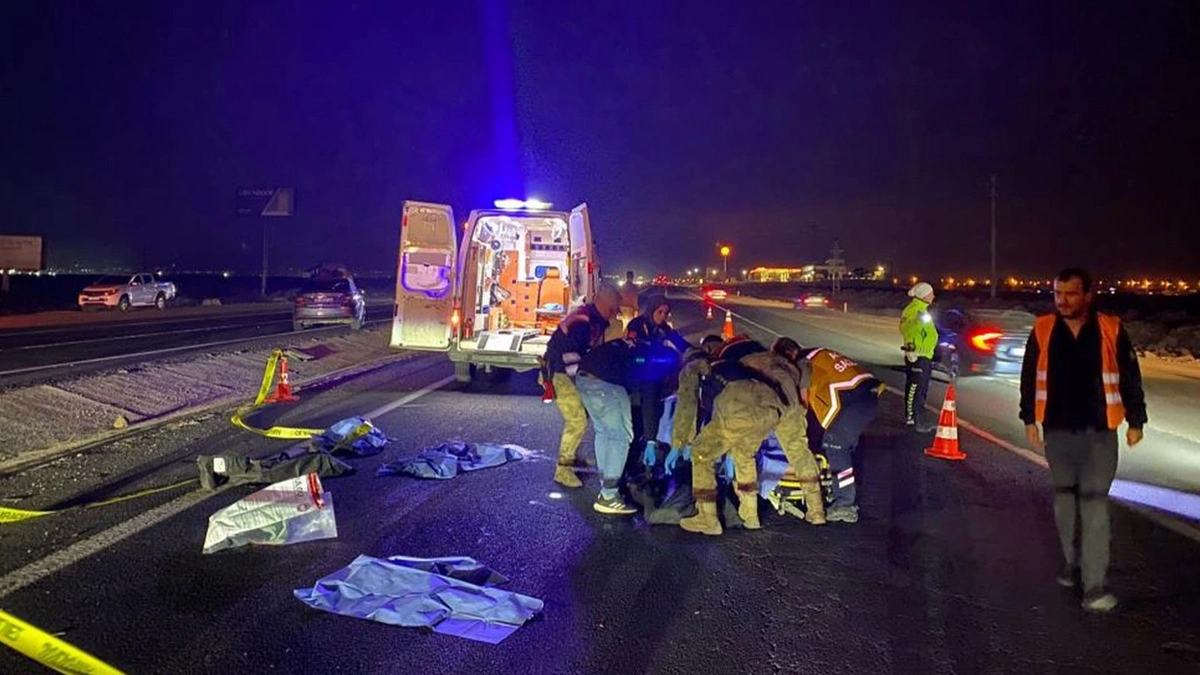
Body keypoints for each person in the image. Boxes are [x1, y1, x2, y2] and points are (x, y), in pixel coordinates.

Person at [1019, 267, 1147, 613]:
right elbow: (1030, 375)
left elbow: (1129, 375)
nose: (1062, 300)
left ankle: (1095, 586)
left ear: (1088, 295)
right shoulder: (1043, 328)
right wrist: (1028, 418)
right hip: (1057, 431)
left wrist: (1137, 419)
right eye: (1058, 294)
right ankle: (1071, 564)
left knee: (1093, 504)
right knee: (1064, 501)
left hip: (1098, 432)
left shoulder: (1111, 328)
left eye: (1070, 294)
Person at [673, 336, 826, 535]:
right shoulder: (781, 360)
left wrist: (680, 442)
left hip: (748, 400)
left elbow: (689, 404)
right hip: (779, 404)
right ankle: (816, 511)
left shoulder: (707, 363)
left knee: (703, 453)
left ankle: (710, 518)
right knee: (795, 452)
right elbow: (802, 374)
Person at [772, 337, 884, 524]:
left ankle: (845, 505)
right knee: (845, 447)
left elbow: (803, 401)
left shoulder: (802, 362)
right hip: (867, 397)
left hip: (853, 402)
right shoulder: (819, 353)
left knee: (835, 445)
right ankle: (843, 488)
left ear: (787, 354)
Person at [543, 284, 623, 489]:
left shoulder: (594, 319)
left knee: (582, 415)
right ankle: (563, 469)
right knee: (577, 420)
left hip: (569, 372)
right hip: (561, 373)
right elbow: (569, 355)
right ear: (605, 305)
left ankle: (573, 458)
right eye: (613, 310)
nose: (614, 315)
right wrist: (585, 382)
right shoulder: (583, 322)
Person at [573, 293, 640, 515]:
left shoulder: (623, 344)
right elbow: (648, 390)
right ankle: (609, 496)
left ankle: (606, 484)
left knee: (603, 431)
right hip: (605, 384)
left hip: (584, 378)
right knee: (621, 436)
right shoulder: (649, 355)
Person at [626, 293, 692, 470]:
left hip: (655, 372)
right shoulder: (637, 325)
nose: (662, 316)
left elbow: (681, 343)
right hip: (637, 370)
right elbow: (632, 345)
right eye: (660, 312)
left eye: (665, 313)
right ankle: (639, 452)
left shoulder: (664, 329)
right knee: (640, 417)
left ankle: (650, 443)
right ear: (652, 309)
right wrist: (648, 351)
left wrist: (697, 352)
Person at [899, 281, 938, 431]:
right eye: (931, 293)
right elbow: (905, 330)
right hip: (917, 356)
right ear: (923, 295)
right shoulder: (913, 310)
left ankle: (919, 418)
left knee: (921, 390)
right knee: (915, 389)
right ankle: (913, 419)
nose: (933, 296)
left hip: (925, 356)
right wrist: (916, 322)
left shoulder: (923, 310)